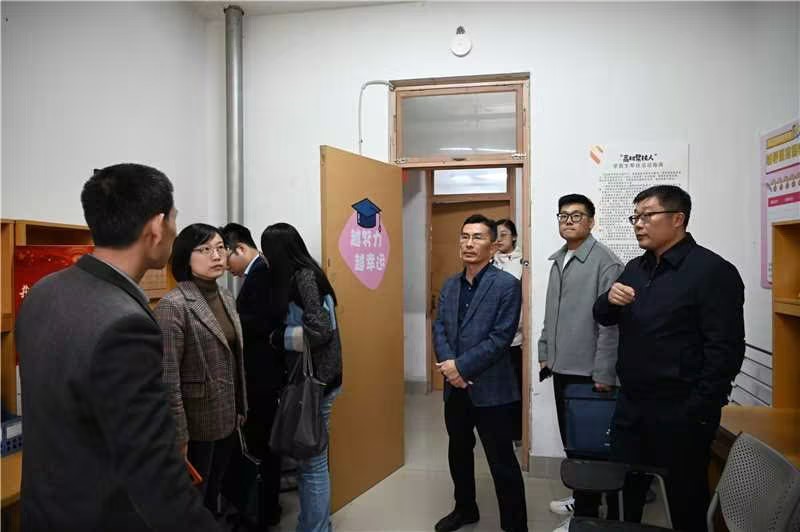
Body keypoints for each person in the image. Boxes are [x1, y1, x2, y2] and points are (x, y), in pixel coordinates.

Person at [15, 163, 220, 531]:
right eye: (174, 218)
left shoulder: (43, 292)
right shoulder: (125, 324)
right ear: (157, 227)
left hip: (43, 511)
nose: (175, 229)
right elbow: (156, 476)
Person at [593, 185, 745, 532]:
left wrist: (698, 408)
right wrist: (608, 299)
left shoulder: (712, 271)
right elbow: (603, 315)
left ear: (678, 219)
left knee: (685, 500)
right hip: (631, 406)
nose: (638, 224)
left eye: (647, 215)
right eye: (635, 217)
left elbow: (725, 350)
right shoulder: (636, 268)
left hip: (681, 410)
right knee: (622, 495)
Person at [433, 214, 526, 532]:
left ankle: (515, 526)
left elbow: (501, 338)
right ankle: (465, 509)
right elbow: (440, 329)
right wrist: (450, 368)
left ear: (493, 245)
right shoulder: (450, 285)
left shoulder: (507, 285)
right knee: (458, 451)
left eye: (478, 237)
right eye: (464, 236)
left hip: (492, 389)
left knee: (502, 462)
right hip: (455, 389)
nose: (469, 243)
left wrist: (460, 367)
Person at [536, 194, 623, 532]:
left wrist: (604, 372)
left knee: (589, 449)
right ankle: (582, 500)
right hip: (562, 367)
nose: (569, 221)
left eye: (577, 215)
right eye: (563, 215)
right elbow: (552, 313)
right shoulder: (559, 259)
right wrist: (545, 351)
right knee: (574, 445)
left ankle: (586, 518)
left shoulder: (606, 262)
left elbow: (612, 325)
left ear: (591, 221)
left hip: (589, 373)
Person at [155, 223, 248, 516]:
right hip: (196, 424)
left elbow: (234, 357)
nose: (216, 256)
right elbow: (168, 379)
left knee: (216, 489)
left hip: (228, 415)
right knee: (194, 499)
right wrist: (179, 436)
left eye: (220, 248)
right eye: (205, 249)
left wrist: (240, 406)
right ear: (186, 256)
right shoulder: (173, 305)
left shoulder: (226, 296)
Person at [262, 222, 343, 532]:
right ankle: (315, 524)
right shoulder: (310, 273)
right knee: (313, 459)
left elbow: (321, 331)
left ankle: (316, 528)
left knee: (312, 463)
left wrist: (279, 337)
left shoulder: (304, 278)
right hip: (323, 379)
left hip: (315, 383)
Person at [221, 222, 285, 526]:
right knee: (263, 444)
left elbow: (262, 323)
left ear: (240, 249)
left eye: (226, 257)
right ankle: (266, 508)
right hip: (263, 375)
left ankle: (264, 511)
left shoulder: (260, 274)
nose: (225, 266)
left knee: (262, 446)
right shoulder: (259, 271)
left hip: (261, 376)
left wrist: (230, 321)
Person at [493, 218, 525, 444]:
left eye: (503, 235)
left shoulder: (522, 263)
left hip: (515, 338)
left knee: (515, 387)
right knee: (495, 387)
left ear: (514, 237)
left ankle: (516, 434)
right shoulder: (490, 262)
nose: (499, 239)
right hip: (492, 339)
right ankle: (498, 431)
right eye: (495, 235)